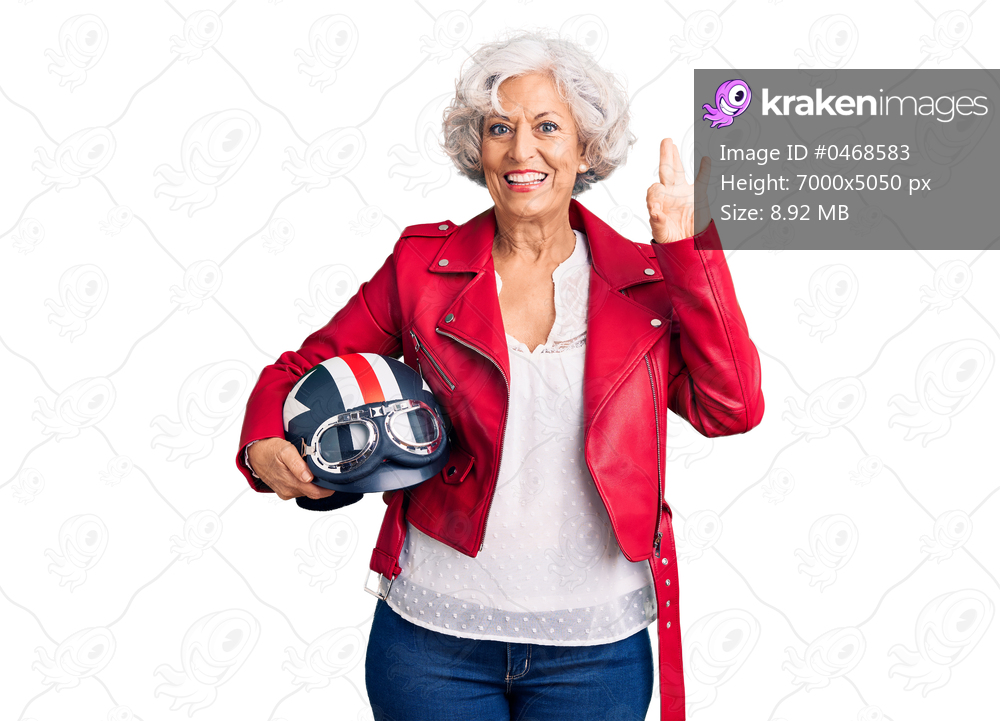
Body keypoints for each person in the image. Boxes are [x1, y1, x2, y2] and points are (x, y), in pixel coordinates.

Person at [236, 30, 763, 721]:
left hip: (596, 648)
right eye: (499, 128)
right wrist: (260, 446)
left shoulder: (644, 281)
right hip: (433, 643)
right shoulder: (421, 268)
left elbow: (734, 407)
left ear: (585, 147)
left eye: (548, 126)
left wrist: (688, 253)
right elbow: (299, 369)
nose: (522, 151)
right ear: (475, 146)